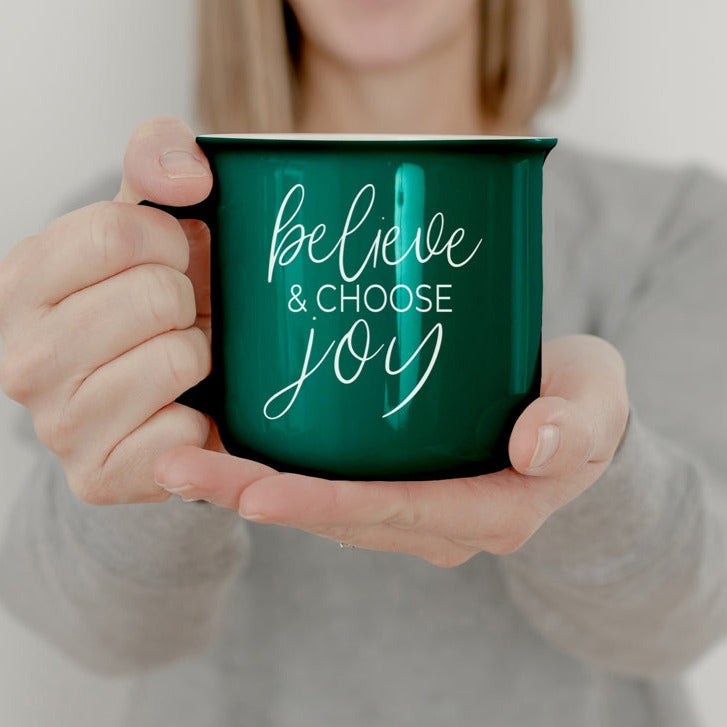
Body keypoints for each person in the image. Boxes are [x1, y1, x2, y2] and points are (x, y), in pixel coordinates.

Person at [0, 0, 726, 724]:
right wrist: (155, 451)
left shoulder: (672, 230)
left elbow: (689, 611)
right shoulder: (131, 245)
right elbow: (91, 629)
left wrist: (593, 474)